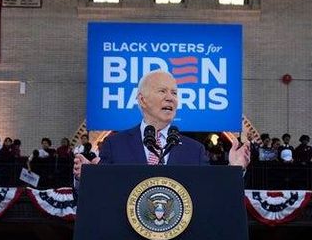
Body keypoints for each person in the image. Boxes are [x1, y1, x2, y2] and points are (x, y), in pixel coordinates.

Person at [73, 70, 250, 176]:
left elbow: (211, 194)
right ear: (142, 100)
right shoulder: (115, 144)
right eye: (162, 91)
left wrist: (234, 170)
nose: (170, 98)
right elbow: (98, 196)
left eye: (174, 93)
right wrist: (87, 178)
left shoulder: (195, 150)